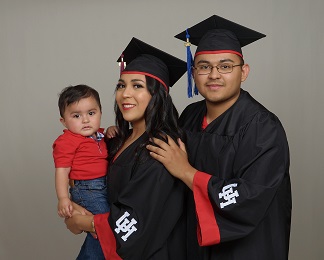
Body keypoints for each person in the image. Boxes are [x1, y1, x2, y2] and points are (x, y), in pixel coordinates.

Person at [147, 15, 292, 260]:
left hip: (246, 250)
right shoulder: (191, 116)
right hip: (196, 244)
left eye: (225, 66)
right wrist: (122, 136)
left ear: (243, 72)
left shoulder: (262, 126)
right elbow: (161, 156)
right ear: (194, 72)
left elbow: (249, 196)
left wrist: (186, 172)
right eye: (204, 66)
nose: (214, 75)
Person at [65, 38, 188, 259]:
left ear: (158, 95)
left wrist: (86, 222)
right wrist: (73, 207)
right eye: (121, 85)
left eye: (137, 86)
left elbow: (140, 218)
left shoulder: (162, 148)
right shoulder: (118, 140)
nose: (125, 94)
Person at [53, 84, 110, 259]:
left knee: (101, 232)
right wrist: (63, 198)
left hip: (104, 186)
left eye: (91, 113)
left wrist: (111, 131)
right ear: (63, 120)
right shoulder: (67, 141)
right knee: (104, 227)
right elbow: (62, 171)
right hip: (87, 190)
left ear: (100, 112)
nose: (85, 120)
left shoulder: (99, 136)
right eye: (76, 116)